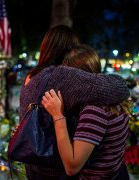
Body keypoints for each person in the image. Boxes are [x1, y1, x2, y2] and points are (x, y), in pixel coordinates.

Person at [20, 25, 130, 179]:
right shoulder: (63, 76)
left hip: (31, 160)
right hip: (54, 169)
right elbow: (119, 87)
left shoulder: (31, 75)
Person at [42, 45, 130, 179]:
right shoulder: (111, 96)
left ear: (76, 77)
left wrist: (57, 115)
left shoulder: (95, 110)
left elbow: (72, 167)